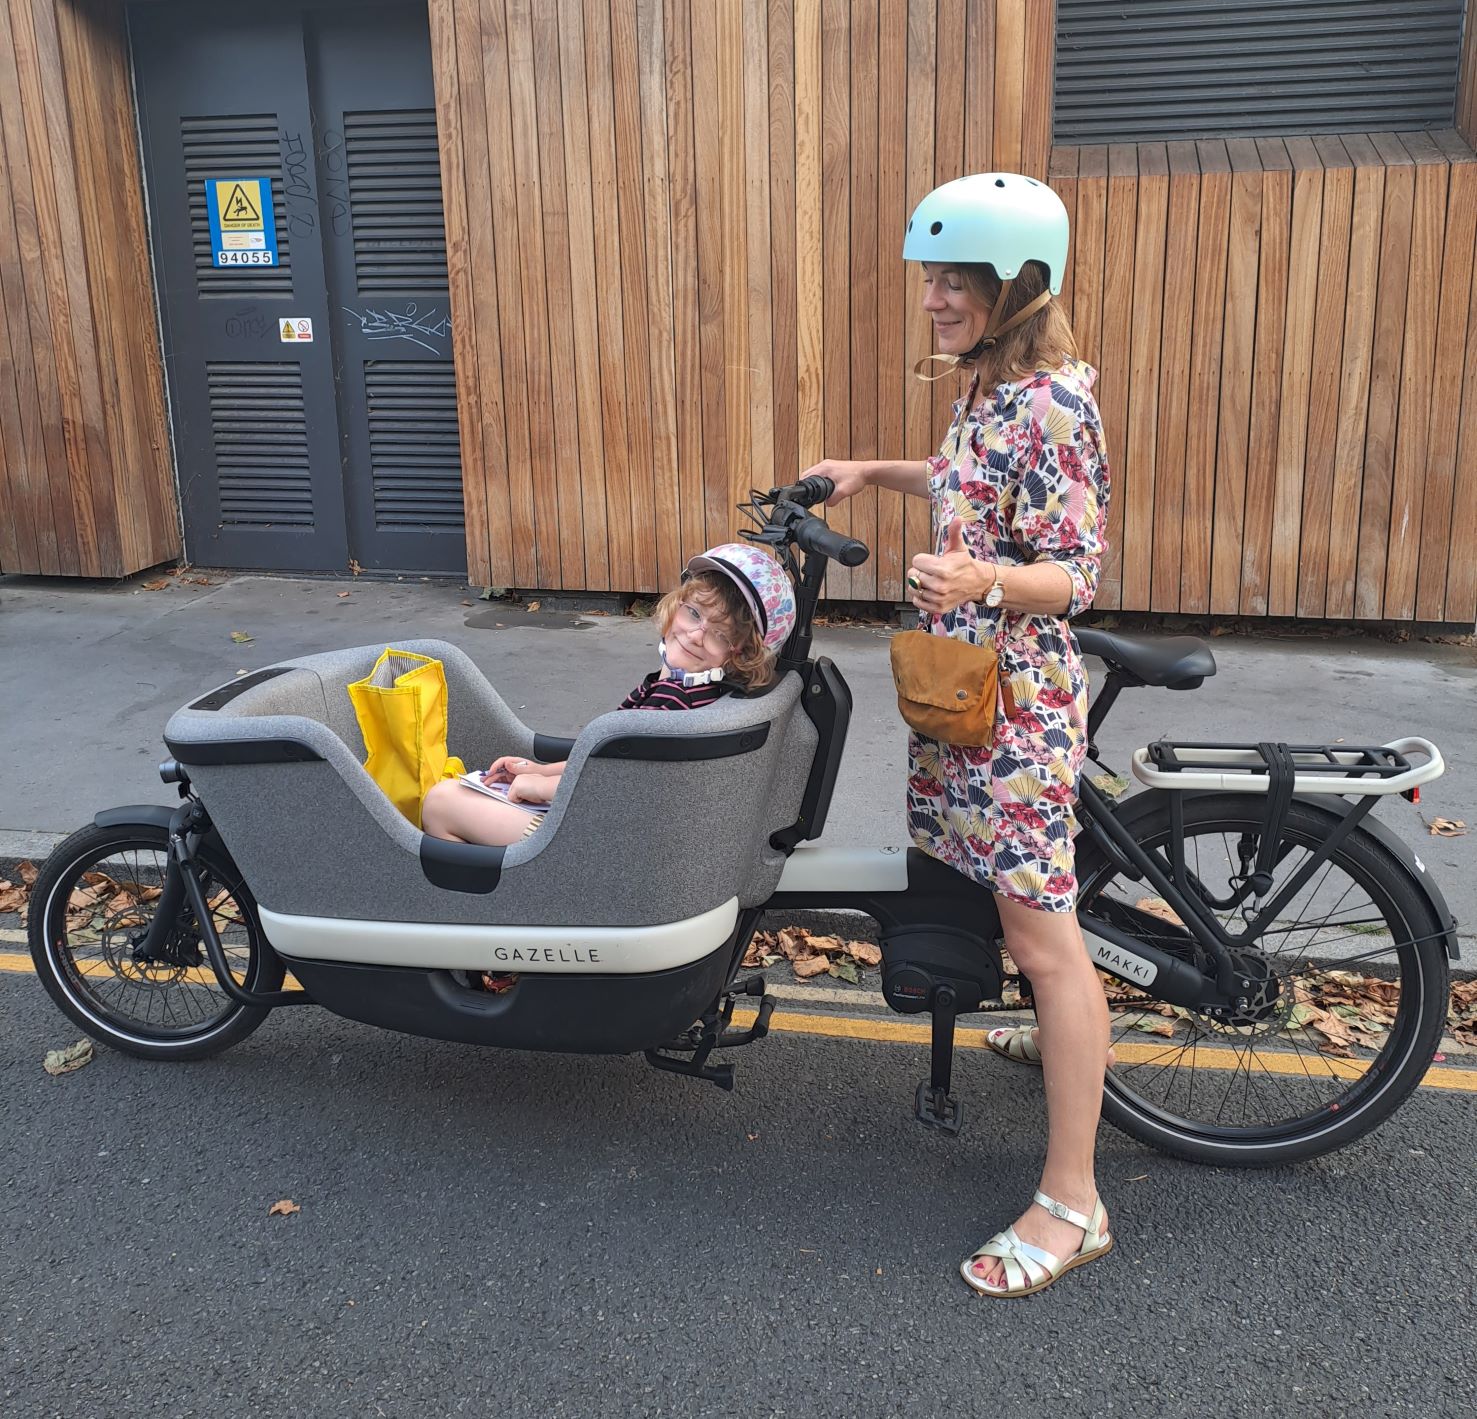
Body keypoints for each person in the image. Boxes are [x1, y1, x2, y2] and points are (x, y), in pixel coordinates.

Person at [802, 172, 1113, 1298]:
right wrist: (871, 471)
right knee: (1008, 910)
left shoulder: (1054, 406)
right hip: (965, 695)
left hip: (1016, 701)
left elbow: (1074, 573)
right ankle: (1055, 1034)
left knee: (1043, 942)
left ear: (1019, 285)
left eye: (954, 280)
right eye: (929, 278)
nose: (932, 298)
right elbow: (968, 482)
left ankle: (1072, 1203)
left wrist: (983, 575)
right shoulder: (992, 389)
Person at [420, 543, 796, 847]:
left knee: (441, 803)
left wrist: (543, 786)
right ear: (676, 607)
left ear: (741, 654)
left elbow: (619, 783)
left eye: (720, 633)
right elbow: (608, 759)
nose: (696, 634)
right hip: (612, 829)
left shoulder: (675, 708)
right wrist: (538, 768)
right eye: (694, 614)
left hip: (598, 844)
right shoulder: (686, 691)